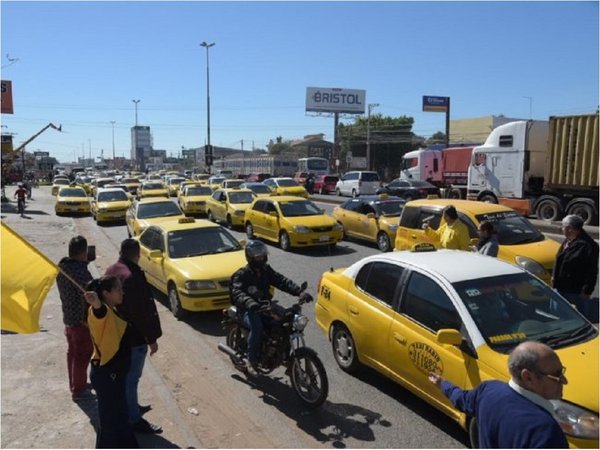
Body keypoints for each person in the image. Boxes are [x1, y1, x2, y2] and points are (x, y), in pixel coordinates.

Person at [429, 341, 568, 448]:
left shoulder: (488, 390)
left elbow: (461, 399)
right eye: (557, 375)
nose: (564, 381)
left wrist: (443, 384)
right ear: (528, 377)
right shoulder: (545, 431)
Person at [105, 239, 163, 434]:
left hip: (120, 334)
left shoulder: (113, 269)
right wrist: (151, 338)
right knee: (131, 380)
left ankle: (132, 408)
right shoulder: (131, 276)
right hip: (134, 338)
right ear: (137, 254)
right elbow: (141, 313)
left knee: (127, 379)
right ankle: (134, 419)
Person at [230, 240, 308, 376]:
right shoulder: (242, 274)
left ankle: (286, 358)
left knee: (286, 323)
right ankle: (251, 360)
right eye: (257, 256)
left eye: (262, 255)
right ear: (250, 257)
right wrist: (249, 302)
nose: (261, 258)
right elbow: (237, 292)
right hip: (248, 309)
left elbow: (281, 281)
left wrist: (299, 292)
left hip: (265, 306)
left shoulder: (266, 270)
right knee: (258, 328)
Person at [84, 276, 139, 449]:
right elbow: (99, 313)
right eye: (118, 289)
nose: (122, 292)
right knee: (110, 422)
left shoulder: (112, 309)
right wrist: (96, 303)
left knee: (120, 417)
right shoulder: (102, 312)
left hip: (115, 374)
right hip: (107, 375)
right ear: (107, 293)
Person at [56, 236, 95, 401]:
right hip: (80, 321)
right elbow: (91, 290)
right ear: (82, 253)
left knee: (72, 354)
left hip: (69, 319)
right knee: (82, 355)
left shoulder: (63, 267)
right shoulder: (78, 270)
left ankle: (76, 383)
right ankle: (78, 390)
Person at [552, 214, 599, 322]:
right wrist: (554, 275)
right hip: (560, 286)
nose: (561, 229)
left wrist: (587, 291)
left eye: (563, 226)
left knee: (581, 317)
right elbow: (559, 259)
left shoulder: (589, 246)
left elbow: (592, 271)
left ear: (570, 229)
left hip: (576, 290)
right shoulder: (568, 240)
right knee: (558, 315)